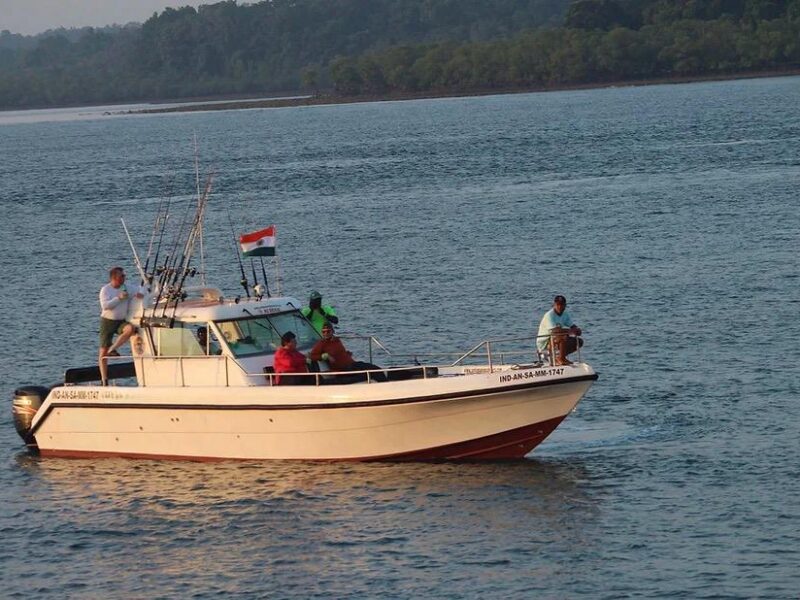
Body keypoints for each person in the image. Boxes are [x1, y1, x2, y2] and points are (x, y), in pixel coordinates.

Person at [99, 266, 143, 385]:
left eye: (124, 276)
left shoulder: (127, 287)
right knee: (103, 351)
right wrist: (118, 298)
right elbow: (105, 306)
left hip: (120, 321)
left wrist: (142, 294)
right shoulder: (106, 290)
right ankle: (104, 380)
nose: (124, 278)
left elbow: (139, 291)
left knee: (130, 329)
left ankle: (113, 349)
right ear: (114, 278)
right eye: (122, 276)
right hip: (107, 321)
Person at [309, 322, 386, 383]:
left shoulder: (337, 340)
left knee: (375, 369)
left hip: (352, 364)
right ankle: (385, 386)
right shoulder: (322, 343)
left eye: (328, 331)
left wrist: (346, 354)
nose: (326, 334)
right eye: (323, 332)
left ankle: (385, 384)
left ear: (332, 331)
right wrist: (325, 356)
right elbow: (312, 356)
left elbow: (339, 353)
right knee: (369, 372)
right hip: (343, 369)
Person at [536, 294, 583, 366]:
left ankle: (560, 357)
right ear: (554, 305)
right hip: (545, 342)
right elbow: (554, 331)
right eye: (558, 305)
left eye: (562, 305)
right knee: (562, 336)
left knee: (579, 341)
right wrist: (569, 331)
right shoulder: (549, 315)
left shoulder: (565, 314)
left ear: (565, 305)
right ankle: (560, 358)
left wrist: (577, 330)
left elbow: (572, 325)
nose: (560, 307)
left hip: (556, 340)